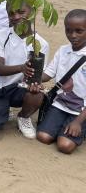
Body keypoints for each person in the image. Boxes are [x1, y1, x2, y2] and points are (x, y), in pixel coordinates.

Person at [0, 1, 48, 141]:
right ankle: (2, 109)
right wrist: (22, 68)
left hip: (20, 88)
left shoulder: (40, 44)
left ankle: (23, 117)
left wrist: (35, 82)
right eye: (11, 14)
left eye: (21, 12)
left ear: (32, 14)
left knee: (37, 92)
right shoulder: (1, 35)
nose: (16, 17)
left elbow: (38, 74)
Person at [36, 9, 86, 154]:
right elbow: (48, 74)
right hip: (60, 104)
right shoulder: (63, 50)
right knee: (43, 137)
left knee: (64, 146)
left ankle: (78, 128)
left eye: (79, 31)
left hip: (81, 111)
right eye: (69, 31)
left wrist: (77, 122)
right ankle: (63, 128)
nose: (73, 35)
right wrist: (33, 78)